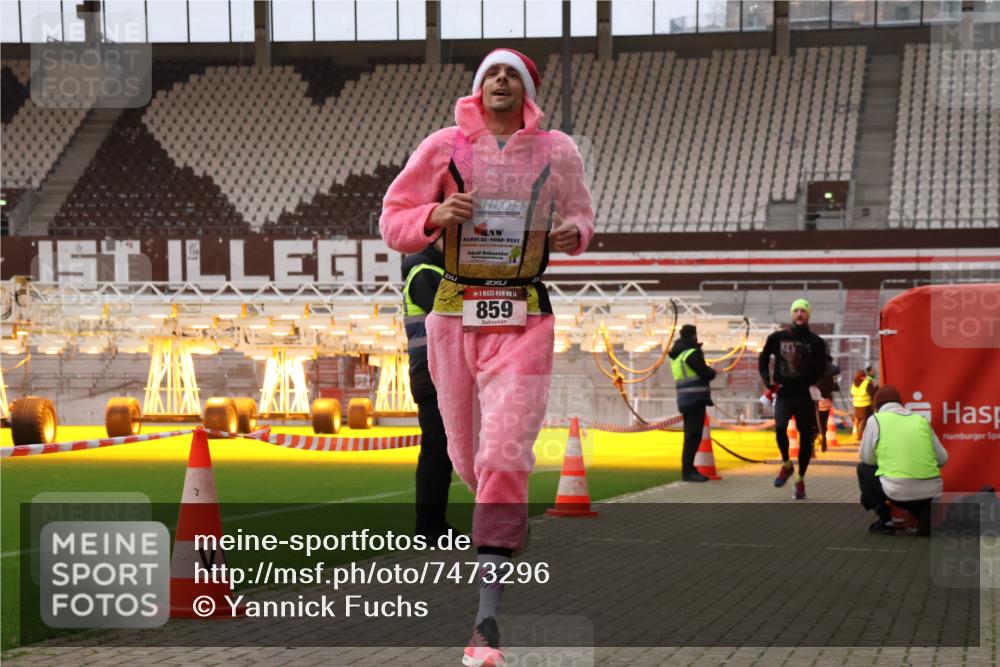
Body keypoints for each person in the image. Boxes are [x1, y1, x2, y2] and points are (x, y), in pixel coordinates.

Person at [380, 47, 594, 667]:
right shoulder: (443, 146)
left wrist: (571, 235)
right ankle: (498, 518)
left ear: (528, 90)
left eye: (513, 75)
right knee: (469, 457)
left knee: (505, 450)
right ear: (478, 89)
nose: (500, 81)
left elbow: (581, 215)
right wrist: (434, 214)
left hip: (524, 312)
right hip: (454, 313)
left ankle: (485, 624)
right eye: (490, 74)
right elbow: (393, 220)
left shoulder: (558, 151)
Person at [401, 239, 454, 540]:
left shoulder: (432, 269)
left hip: (436, 373)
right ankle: (430, 528)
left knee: (440, 452)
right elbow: (451, 316)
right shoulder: (425, 272)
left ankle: (433, 525)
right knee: (436, 452)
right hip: (432, 374)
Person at [757, 298, 829, 500]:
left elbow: (823, 368)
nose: (799, 313)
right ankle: (787, 464)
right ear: (791, 314)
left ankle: (800, 478)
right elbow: (763, 358)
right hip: (784, 393)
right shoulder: (777, 337)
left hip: (805, 396)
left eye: (803, 310)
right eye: (796, 310)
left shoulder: (816, 342)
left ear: (808, 315)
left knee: (806, 439)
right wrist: (766, 380)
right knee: (780, 427)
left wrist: (816, 383)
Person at [857, 385, 948, 536]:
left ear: (877, 406)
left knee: (863, 469)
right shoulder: (920, 420)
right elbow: (943, 459)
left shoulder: (876, 420)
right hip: (932, 492)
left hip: (898, 491)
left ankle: (886, 521)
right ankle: (923, 516)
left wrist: (886, 460)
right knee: (919, 495)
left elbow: (867, 459)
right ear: (901, 403)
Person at [669, 324, 717, 482]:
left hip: (685, 399)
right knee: (693, 437)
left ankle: (688, 469)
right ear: (693, 336)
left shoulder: (678, 355)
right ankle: (688, 471)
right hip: (695, 399)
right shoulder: (691, 353)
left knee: (690, 436)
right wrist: (713, 370)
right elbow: (706, 373)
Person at [815, 363, 840, 452]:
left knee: (817, 422)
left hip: (817, 401)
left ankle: (819, 437)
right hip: (827, 401)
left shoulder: (815, 374)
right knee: (823, 421)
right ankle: (822, 436)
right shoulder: (829, 374)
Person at [850, 369, 876, 441]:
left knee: (858, 419)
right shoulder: (866, 383)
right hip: (865, 405)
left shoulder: (854, 384)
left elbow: (851, 393)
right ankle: (860, 436)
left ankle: (858, 434)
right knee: (863, 420)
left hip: (856, 405)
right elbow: (872, 393)